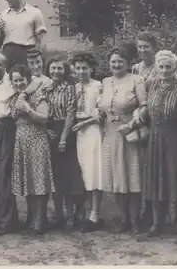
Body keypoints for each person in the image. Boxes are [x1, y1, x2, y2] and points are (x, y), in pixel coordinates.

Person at [0, 50, 42, 236]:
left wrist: (22, 96)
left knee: (3, 174)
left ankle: (8, 221)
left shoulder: (11, 79)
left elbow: (36, 81)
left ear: (5, 66)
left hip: (6, 127)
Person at [139, 50, 177, 239]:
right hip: (155, 137)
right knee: (155, 177)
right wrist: (136, 119)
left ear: (175, 67)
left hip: (174, 137)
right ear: (157, 68)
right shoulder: (151, 85)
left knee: (174, 177)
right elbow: (144, 109)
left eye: (169, 67)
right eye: (161, 66)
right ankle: (157, 221)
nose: (165, 70)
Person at [100, 47, 147, 234]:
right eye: (113, 62)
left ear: (127, 63)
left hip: (129, 133)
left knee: (133, 177)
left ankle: (135, 220)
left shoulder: (137, 80)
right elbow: (102, 106)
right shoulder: (105, 82)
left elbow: (144, 106)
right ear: (109, 63)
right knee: (117, 178)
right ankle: (124, 218)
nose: (117, 65)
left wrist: (134, 123)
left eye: (120, 61)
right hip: (110, 133)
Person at [10, 64, 54, 235]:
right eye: (15, 80)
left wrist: (27, 109)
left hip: (37, 141)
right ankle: (31, 216)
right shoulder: (15, 97)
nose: (19, 83)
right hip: (21, 142)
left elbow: (44, 118)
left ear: (27, 80)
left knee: (38, 181)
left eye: (21, 80)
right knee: (27, 180)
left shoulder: (37, 96)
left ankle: (40, 220)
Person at [44, 56, 85, 231]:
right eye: (53, 68)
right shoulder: (45, 89)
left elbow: (70, 114)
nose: (56, 72)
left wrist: (63, 138)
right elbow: (40, 111)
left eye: (60, 68)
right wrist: (45, 129)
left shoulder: (69, 89)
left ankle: (70, 216)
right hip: (49, 131)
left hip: (66, 132)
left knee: (68, 177)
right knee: (54, 177)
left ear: (65, 70)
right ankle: (58, 215)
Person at [72, 52, 104, 232]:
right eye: (78, 68)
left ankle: (95, 214)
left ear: (91, 69)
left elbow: (101, 113)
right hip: (78, 133)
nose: (81, 71)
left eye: (85, 68)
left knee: (94, 171)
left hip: (92, 130)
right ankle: (81, 213)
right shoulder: (74, 87)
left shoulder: (97, 86)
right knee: (81, 172)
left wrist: (85, 123)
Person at [0, 0, 47, 67]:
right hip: (7, 54)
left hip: (26, 54)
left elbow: (41, 40)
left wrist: (39, 60)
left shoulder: (35, 13)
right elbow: (0, 37)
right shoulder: (4, 13)